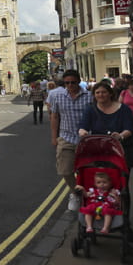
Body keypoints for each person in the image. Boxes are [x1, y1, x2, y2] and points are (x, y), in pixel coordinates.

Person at [49, 69, 93, 210]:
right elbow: (54, 116)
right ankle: (75, 193)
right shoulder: (58, 96)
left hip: (86, 140)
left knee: (87, 171)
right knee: (65, 170)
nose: (70, 85)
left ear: (79, 81)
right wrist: (54, 137)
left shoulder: (90, 96)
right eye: (67, 83)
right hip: (66, 137)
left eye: (73, 82)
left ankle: (89, 194)